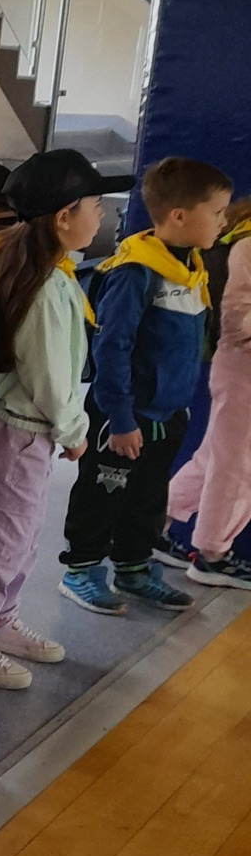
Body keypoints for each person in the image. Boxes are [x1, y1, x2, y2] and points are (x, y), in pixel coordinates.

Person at [0, 149, 106, 686]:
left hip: (23, 432)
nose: (101, 215)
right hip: (19, 433)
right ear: (63, 217)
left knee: (21, 535)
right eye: (95, 206)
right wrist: (75, 430)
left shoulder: (32, 266)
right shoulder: (45, 287)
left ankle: (0, 619)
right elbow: (50, 376)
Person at [61, 157, 231, 615]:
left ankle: (134, 568)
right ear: (179, 215)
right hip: (123, 415)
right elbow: (111, 349)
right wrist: (120, 419)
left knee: (148, 499)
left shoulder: (190, 266)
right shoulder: (135, 272)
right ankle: (81, 570)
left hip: (166, 413)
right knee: (102, 497)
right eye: (216, 212)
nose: (223, 221)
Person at [168, 198, 251, 589]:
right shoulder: (247, 246)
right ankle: (212, 554)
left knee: (214, 458)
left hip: (239, 371)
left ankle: (153, 523)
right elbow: (238, 319)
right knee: (237, 467)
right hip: (242, 372)